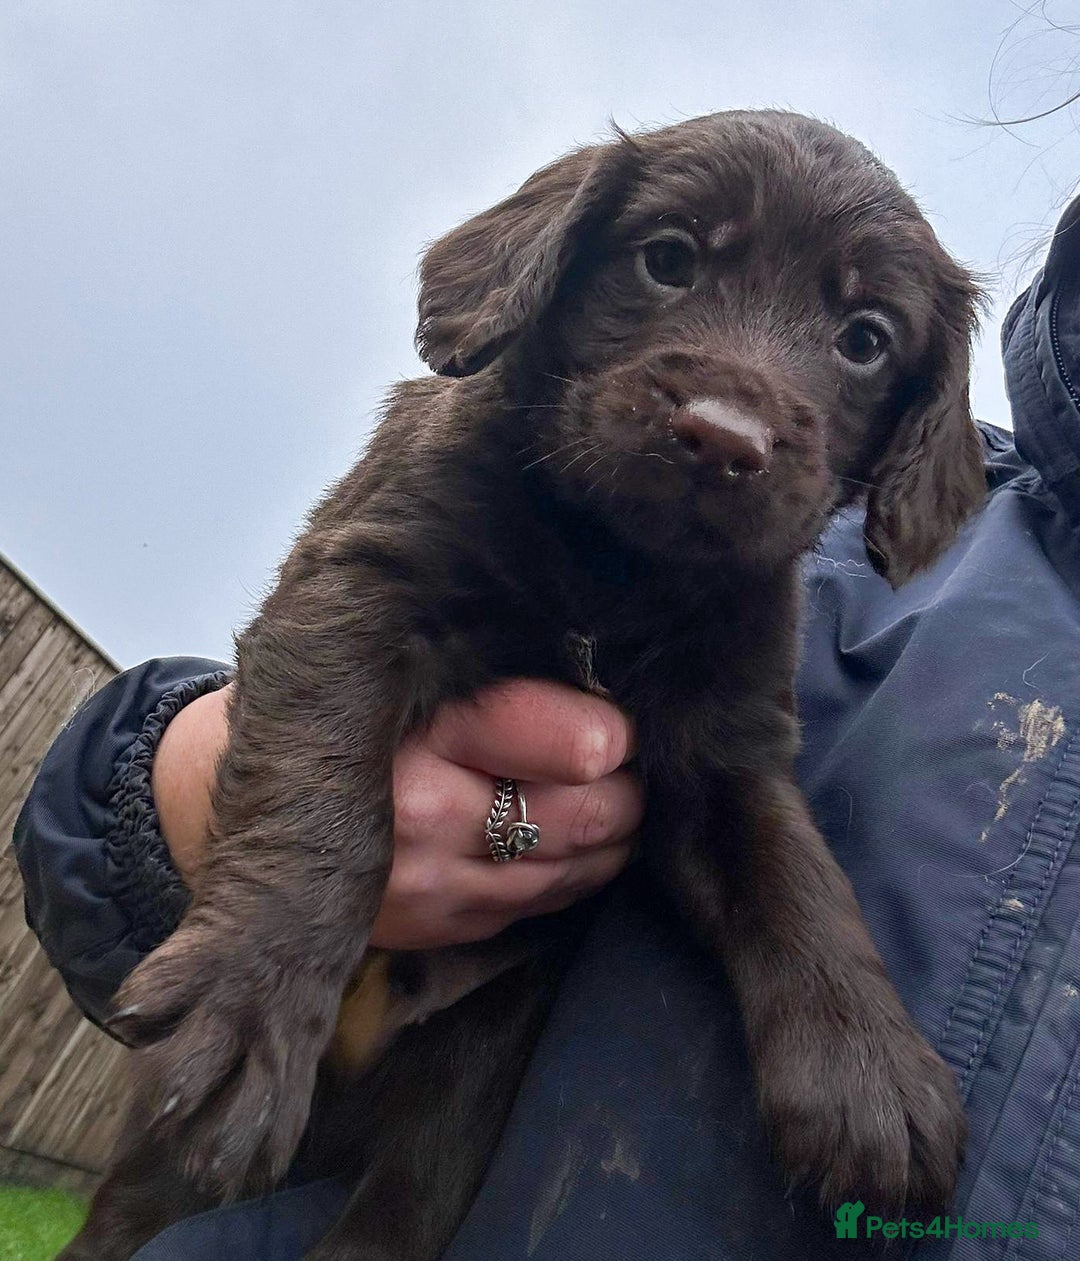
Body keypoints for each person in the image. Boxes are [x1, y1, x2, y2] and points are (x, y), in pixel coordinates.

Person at [15, 191, 1080, 1260]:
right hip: (273, 991)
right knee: (158, 1196)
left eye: (860, 339)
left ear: (910, 409)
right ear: (556, 266)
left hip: (481, 1067)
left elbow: (730, 787)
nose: (735, 414)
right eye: (669, 261)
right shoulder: (476, 458)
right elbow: (348, 612)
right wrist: (203, 810)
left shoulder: (784, 584)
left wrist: (832, 1006)